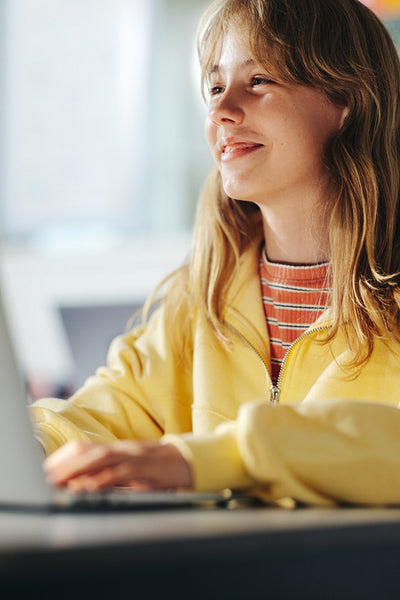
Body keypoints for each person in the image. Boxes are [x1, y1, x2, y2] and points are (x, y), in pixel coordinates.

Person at [32, 0, 400, 506]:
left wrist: (215, 459)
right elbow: (94, 414)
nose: (221, 111)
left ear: (348, 100)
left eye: (259, 81)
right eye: (215, 87)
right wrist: (29, 449)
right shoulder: (201, 301)